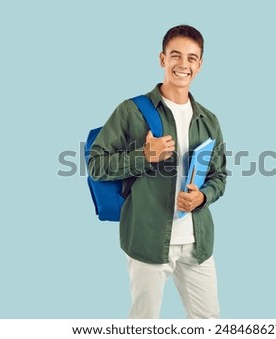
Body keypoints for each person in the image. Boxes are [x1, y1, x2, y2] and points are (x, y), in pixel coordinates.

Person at [88, 24, 227, 319]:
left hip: (197, 242)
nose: (183, 64)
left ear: (199, 65)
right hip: (148, 239)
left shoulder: (209, 120)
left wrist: (202, 197)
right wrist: (144, 156)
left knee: (209, 323)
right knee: (143, 325)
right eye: (175, 55)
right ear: (162, 59)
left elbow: (219, 176)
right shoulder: (131, 111)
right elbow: (96, 165)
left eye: (192, 58)